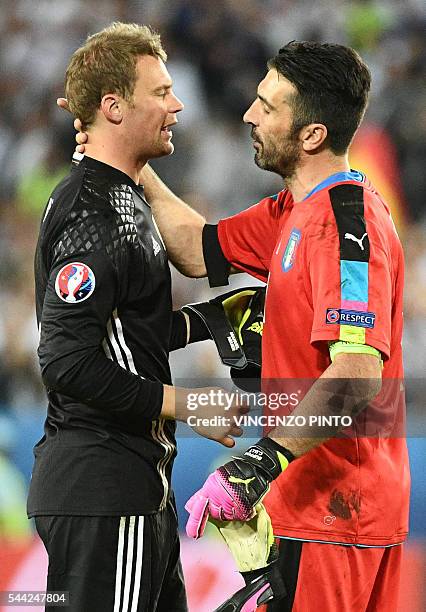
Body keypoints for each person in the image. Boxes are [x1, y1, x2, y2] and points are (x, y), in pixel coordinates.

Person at [70, 40, 409, 611]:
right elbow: (199, 250)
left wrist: (262, 462)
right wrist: (136, 167)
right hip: (311, 511)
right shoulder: (294, 211)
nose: (250, 115)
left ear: (311, 135)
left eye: (268, 106)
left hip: (336, 514)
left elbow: (357, 375)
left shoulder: (347, 225)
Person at [29, 22, 247, 612]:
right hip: (105, 484)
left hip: (130, 486)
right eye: (161, 91)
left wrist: (218, 318)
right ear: (113, 107)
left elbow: (129, 335)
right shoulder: (94, 212)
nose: (177, 104)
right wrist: (186, 403)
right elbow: (67, 360)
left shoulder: (124, 199)